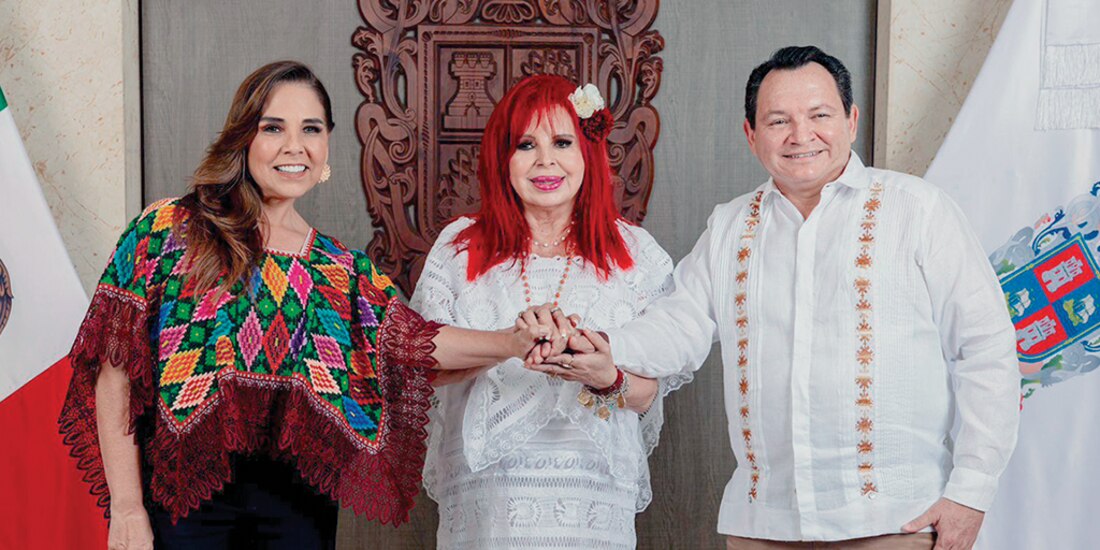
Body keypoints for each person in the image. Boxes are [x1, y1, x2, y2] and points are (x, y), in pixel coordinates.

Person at [531, 46, 1021, 549]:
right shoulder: (730, 225)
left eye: (820, 115)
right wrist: (598, 343)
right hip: (763, 527)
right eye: (778, 120)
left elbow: (987, 350)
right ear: (751, 134)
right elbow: (677, 326)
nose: (800, 135)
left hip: (899, 522)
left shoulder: (917, 209)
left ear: (851, 121)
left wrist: (971, 493)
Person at [57, 61, 550, 550]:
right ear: (244, 137)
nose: (295, 146)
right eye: (274, 128)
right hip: (185, 508)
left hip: (298, 512)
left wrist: (511, 342)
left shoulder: (338, 269)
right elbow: (115, 370)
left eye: (310, 129)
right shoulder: (170, 230)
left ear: (327, 146)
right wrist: (126, 508)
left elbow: (414, 344)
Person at [410, 74, 692, 549]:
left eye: (562, 141)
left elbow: (647, 395)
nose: (545, 161)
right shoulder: (459, 247)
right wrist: (510, 344)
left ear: (588, 151)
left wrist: (607, 375)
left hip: (592, 503)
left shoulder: (637, 254)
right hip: (490, 508)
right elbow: (422, 362)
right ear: (503, 158)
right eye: (525, 144)